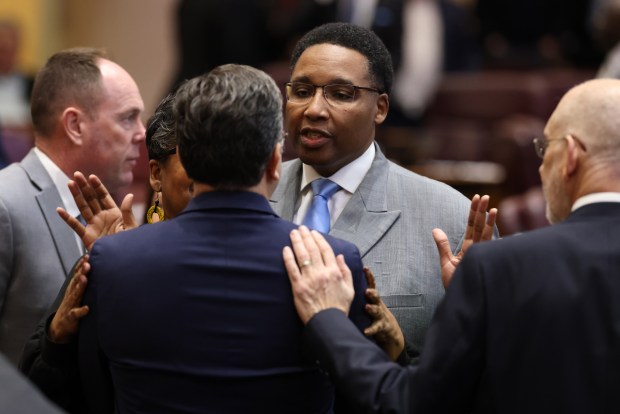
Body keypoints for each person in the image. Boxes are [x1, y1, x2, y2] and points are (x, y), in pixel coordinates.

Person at [283, 78, 620, 413]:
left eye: (545, 150)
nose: (542, 167)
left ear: (572, 155)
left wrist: (328, 317)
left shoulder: (508, 266)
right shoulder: (501, 267)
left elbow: (410, 403)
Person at [77, 64, 371, 413]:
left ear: (188, 158)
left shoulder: (113, 260)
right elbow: (359, 396)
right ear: (276, 161)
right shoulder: (334, 261)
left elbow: (91, 393)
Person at [270, 21, 490, 357]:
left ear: (381, 109)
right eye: (301, 92)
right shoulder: (251, 196)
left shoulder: (451, 217)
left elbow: (478, 369)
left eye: (341, 94)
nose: (313, 109)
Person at [0, 47, 145, 365]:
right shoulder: (6, 204)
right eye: (127, 118)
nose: (141, 134)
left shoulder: (120, 214)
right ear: (75, 125)